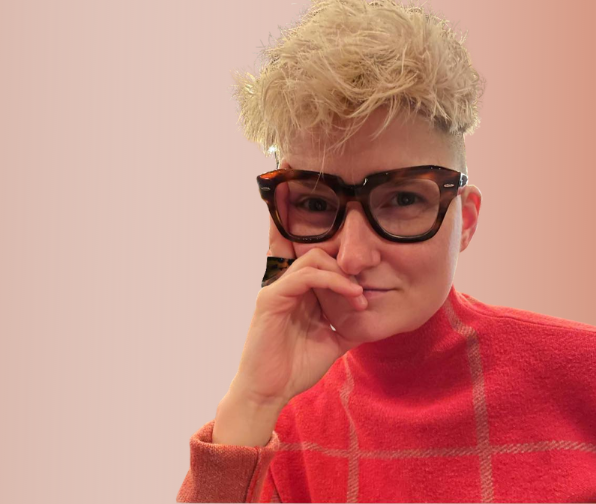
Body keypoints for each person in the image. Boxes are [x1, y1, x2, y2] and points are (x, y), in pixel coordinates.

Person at [176, 0, 596, 501]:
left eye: (401, 199)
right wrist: (252, 401)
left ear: (466, 219)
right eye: (314, 201)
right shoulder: (269, 430)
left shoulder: (581, 371)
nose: (353, 257)